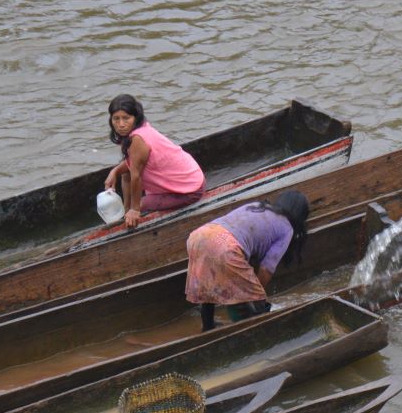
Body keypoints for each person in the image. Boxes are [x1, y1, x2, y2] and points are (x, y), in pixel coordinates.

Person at [185, 191, 310, 332]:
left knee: (208, 281)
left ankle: (208, 326)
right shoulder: (287, 228)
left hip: (200, 236)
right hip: (225, 246)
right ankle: (256, 331)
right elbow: (266, 268)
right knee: (256, 296)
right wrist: (255, 295)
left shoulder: (257, 206)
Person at [104, 94, 205, 229]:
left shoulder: (137, 139)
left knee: (142, 204)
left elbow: (136, 176)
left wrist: (135, 209)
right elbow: (131, 164)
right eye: (116, 119)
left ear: (135, 118)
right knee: (125, 173)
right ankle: (126, 212)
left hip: (190, 191)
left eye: (126, 118)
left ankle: (131, 213)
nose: (121, 124)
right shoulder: (140, 130)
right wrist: (115, 171)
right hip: (189, 179)